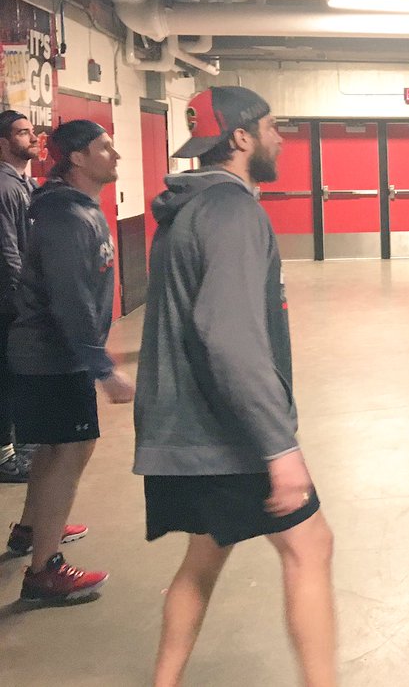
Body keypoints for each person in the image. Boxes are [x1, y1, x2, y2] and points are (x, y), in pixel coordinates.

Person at [134, 86, 336, 686]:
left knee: (204, 554)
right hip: (223, 431)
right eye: (273, 127)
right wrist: (279, 447)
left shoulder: (187, 211)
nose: (281, 138)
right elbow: (230, 338)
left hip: (179, 428)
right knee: (310, 546)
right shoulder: (233, 214)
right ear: (242, 137)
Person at [9, 120, 133, 602]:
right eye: (105, 147)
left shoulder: (75, 207)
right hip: (52, 357)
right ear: (77, 158)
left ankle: (31, 529)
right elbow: (69, 300)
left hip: (55, 355)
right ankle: (44, 570)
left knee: (58, 448)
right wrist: (103, 368)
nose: (116, 155)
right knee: (73, 450)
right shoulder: (65, 215)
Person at [0, 110, 38, 484]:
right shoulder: (5, 186)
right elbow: (8, 251)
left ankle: (15, 445)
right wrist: (23, 300)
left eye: (32, 131)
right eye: (22, 132)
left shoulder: (23, 183)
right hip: (9, 300)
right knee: (7, 376)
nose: (32, 137)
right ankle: (6, 455)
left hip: (17, 298)